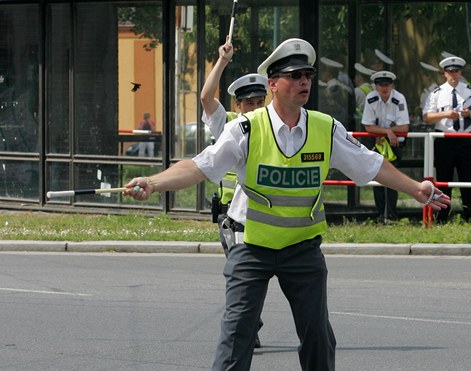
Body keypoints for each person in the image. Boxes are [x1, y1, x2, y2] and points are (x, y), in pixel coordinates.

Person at [123, 38, 450, 371]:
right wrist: (152, 182)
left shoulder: (325, 128)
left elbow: (370, 164)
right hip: (251, 245)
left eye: (307, 74)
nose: (304, 81)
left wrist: (415, 188)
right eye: (294, 76)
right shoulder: (246, 129)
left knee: (318, 336)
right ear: (273, 85)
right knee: (237, 334)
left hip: (302, 249)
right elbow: (199, 166)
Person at [200, 36, 268, 348]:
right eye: (248, 103)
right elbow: (205, 97)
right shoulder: (226, 125)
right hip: (230, 217)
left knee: (249, 273)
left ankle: (248, 320)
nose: (254, 107)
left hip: (261, 214)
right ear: (237, 105)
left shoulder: (271, 127)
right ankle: (249, 321)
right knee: (240, 270)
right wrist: (222, 62)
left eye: (259, 101)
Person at [423, 56, 471, 222]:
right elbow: (427, 117)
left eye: (456, 71)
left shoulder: (470, 91)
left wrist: (469, 113)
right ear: (444, 73)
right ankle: (442, 216)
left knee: (469, 179)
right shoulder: (436, 93)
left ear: (460, 72)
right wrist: (444, 114)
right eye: (450, 72)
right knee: (443, 179)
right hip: (445, 140)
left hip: (466, 139)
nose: (453, 75)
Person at [362, 71, 409, 223]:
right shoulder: (371, 98)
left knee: (392, 179)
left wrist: (386, 133)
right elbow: (368, 127)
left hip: (393, 144)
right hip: (377, 141)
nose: (384, 88)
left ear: (392, 85)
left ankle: (391, 215)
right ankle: (381, 214)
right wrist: (388, 131)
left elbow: (404, 128)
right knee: (377, 177)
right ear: (376, 86)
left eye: (387, 84)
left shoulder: (399, 98)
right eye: (381, 85)